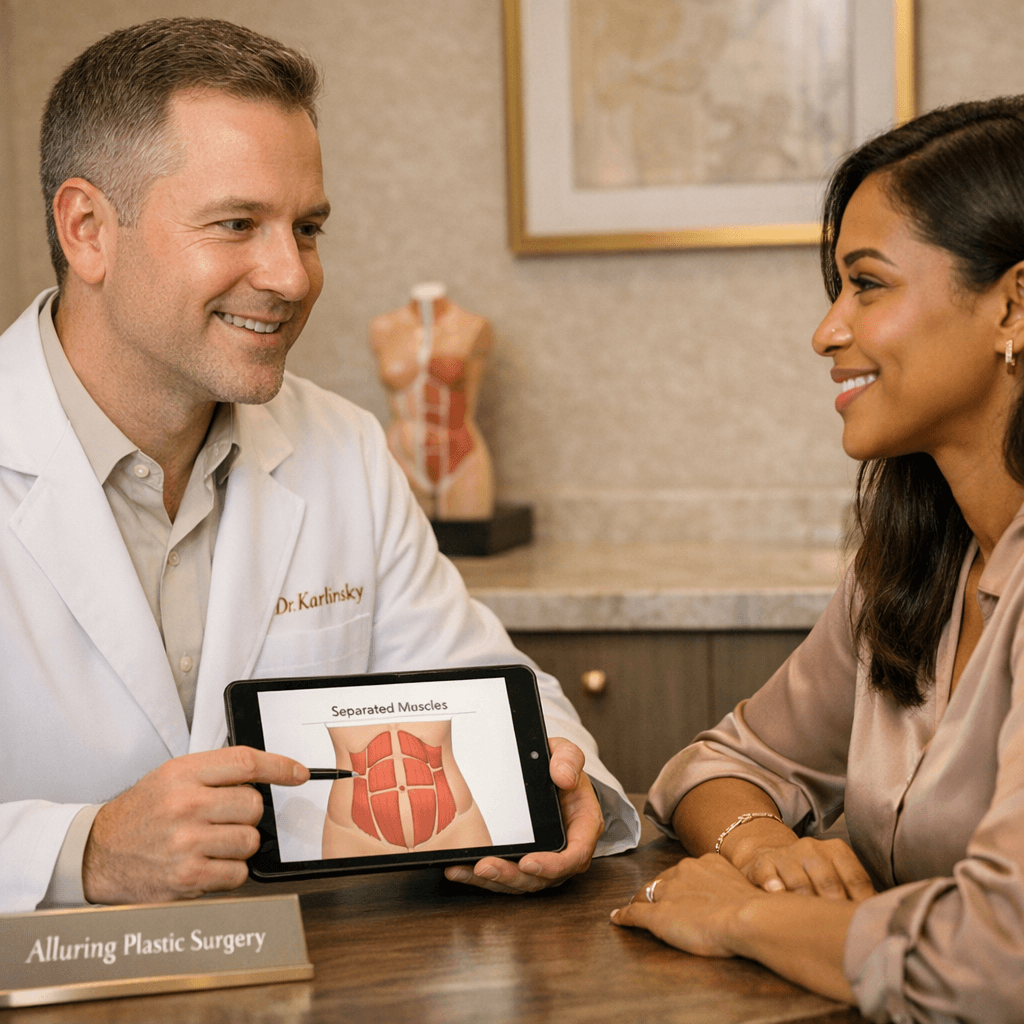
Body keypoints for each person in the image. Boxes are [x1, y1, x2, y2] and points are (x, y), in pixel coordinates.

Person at [0, 17, 639, 914]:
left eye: (306, 228)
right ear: (88, 229)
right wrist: (81, 851)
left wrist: (557, 786)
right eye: (237, 224)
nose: (293, 277)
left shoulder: (339, 447)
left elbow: (490, 693)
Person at [611, 96, 1024, 1024]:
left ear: (1014, 304)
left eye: (867, 284)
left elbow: (1002, 959)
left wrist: (742, 919)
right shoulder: (915, 561)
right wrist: (762, 844)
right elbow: (715, 764)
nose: (827, 331)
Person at [370, 282, 496, 520]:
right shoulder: (383, 327)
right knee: (401, 550)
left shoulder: (473, 325)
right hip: (401, 452)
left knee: (468, 542)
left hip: (459, 448)